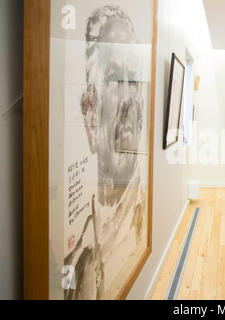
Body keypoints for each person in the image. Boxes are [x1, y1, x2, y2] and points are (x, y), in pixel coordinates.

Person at [64, 5, 147, 299]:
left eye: (134, 80)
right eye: (114, 79)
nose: (129, 99)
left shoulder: (142, 219)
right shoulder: (75, 262)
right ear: (89, 113)